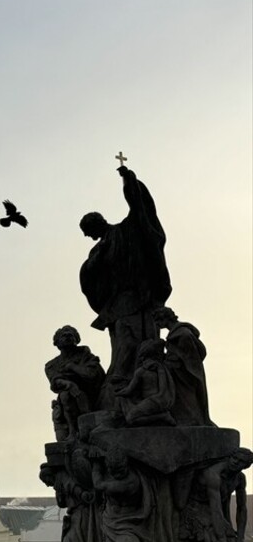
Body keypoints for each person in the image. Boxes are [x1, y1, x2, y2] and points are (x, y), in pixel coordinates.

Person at [79, 164, 171, 388]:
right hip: (118, 299)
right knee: (122, 336)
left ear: (98, 223)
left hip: (139, 292)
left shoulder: (125, 230)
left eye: (90, 232)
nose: (90, 237)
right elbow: (88, 275)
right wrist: (95, 261)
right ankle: (123, 375)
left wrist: (129, 182)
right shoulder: (98, 250)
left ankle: (137, 376)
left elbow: (141, 210)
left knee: (142, 335)